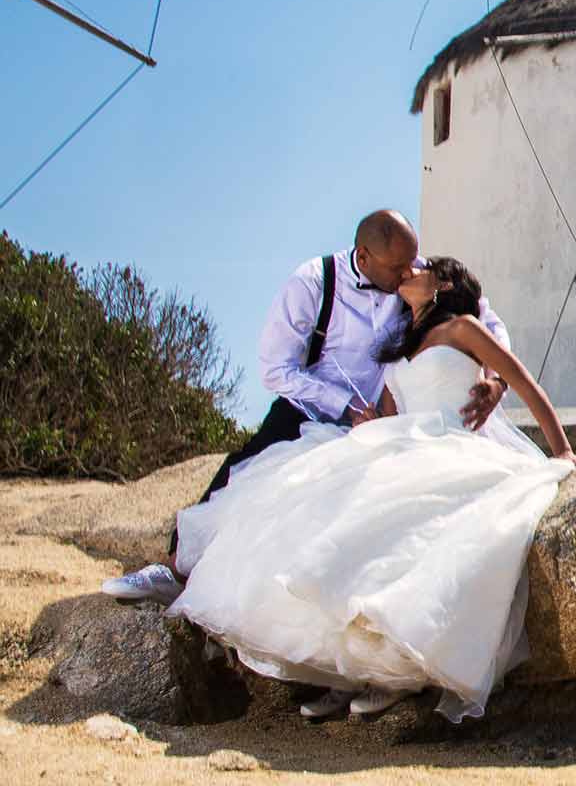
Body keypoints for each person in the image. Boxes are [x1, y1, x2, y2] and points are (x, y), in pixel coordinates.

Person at [165, 256, 576, 722]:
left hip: (449, 445)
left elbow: (522, 380)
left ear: (442, 284)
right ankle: (341, 673)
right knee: (325, 521)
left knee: (400, 542)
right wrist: (367, 420)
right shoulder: (399, 347)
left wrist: (561, 449)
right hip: (402, 443)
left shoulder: (464, 328)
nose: (408, 270)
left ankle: (393, 676)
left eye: (421, 268)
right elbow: (388, 413)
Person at [102, 210, 511, 606]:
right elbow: (276, 369)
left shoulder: (416, 275)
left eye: (412, 262)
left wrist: (495, 379)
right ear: (363, 257)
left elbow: (488, 322)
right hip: (312, 409)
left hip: (390, 420)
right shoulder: (313, 282)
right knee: (242, 475)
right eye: (397, 268)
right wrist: (344, 404)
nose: (408, 273)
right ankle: (173, 570)